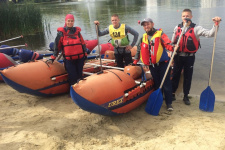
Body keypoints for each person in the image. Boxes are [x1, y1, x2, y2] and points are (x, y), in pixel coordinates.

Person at [171, 8, 221, 105]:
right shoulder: (177, 28)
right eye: (184, 16)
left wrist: (216, 25)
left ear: (191, 17)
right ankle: (172, 94)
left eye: (187, 16)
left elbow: (211, 34)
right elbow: (172, 42)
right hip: (178, 56)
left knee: (187, 77)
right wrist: (172, 48)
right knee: (175, 75)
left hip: (189, 57)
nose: (186, 18)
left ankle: (186, 96)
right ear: (181, 17)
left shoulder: (197, 28)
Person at [133, 18, 174, 111]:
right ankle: (160, 99)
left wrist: (173, 47)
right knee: (157, 83)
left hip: (163, 64)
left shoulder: (160, 34)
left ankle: (169, 103)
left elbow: (167, 43)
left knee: (166, 84)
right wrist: (135, 61)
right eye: (144, 25)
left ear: (152, 24)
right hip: (152, 66)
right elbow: (139, 50)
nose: (146, 26)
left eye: (148, 24)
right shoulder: (143, 37)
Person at [48, 14, 87, 85]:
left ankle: (81, 91)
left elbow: (83, 43)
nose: (70, 22)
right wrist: (53, 57)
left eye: (71, 21)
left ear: (73, 22)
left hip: (79, 59)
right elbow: (57, 46)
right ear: (66, 21)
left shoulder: (77, 32)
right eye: (68, 21)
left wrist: (85, 54)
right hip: (69, 60)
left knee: (80, 76)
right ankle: (72, 92)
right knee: (73, 77)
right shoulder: (61, 33)